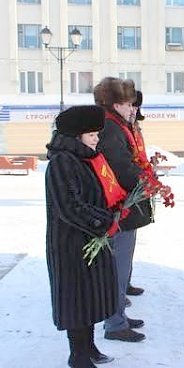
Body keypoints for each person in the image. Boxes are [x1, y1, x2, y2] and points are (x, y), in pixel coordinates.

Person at [46, 105, 123, 367]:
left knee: (90, 298)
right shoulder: (62, 162)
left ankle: (89, 347)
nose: (97, 139)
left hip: (89, 240)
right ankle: (77, 355)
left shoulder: (84, 158)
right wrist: (104, 222)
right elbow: (70, 207)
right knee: (76, 300)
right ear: (77, 136)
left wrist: (113, 210)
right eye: (92, 135)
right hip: (70, 245)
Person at [95, 77, 152, 343]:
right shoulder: (111, 128)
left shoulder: (118, 125)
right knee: (117, 269)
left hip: (124, 207)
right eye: (129, 104)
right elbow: (121, 167)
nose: (133, 109)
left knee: (122, 266)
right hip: (119, 208)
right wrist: (146, 180)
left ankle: (118, 316)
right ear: (116, 104)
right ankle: (115, 324)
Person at [125, 90, 147, 298]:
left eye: (135, 106)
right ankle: (121, 285)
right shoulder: (120, 129)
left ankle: (127, 280)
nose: (133, 110)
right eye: (130, 106)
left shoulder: (135, 127)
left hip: (137, 184)